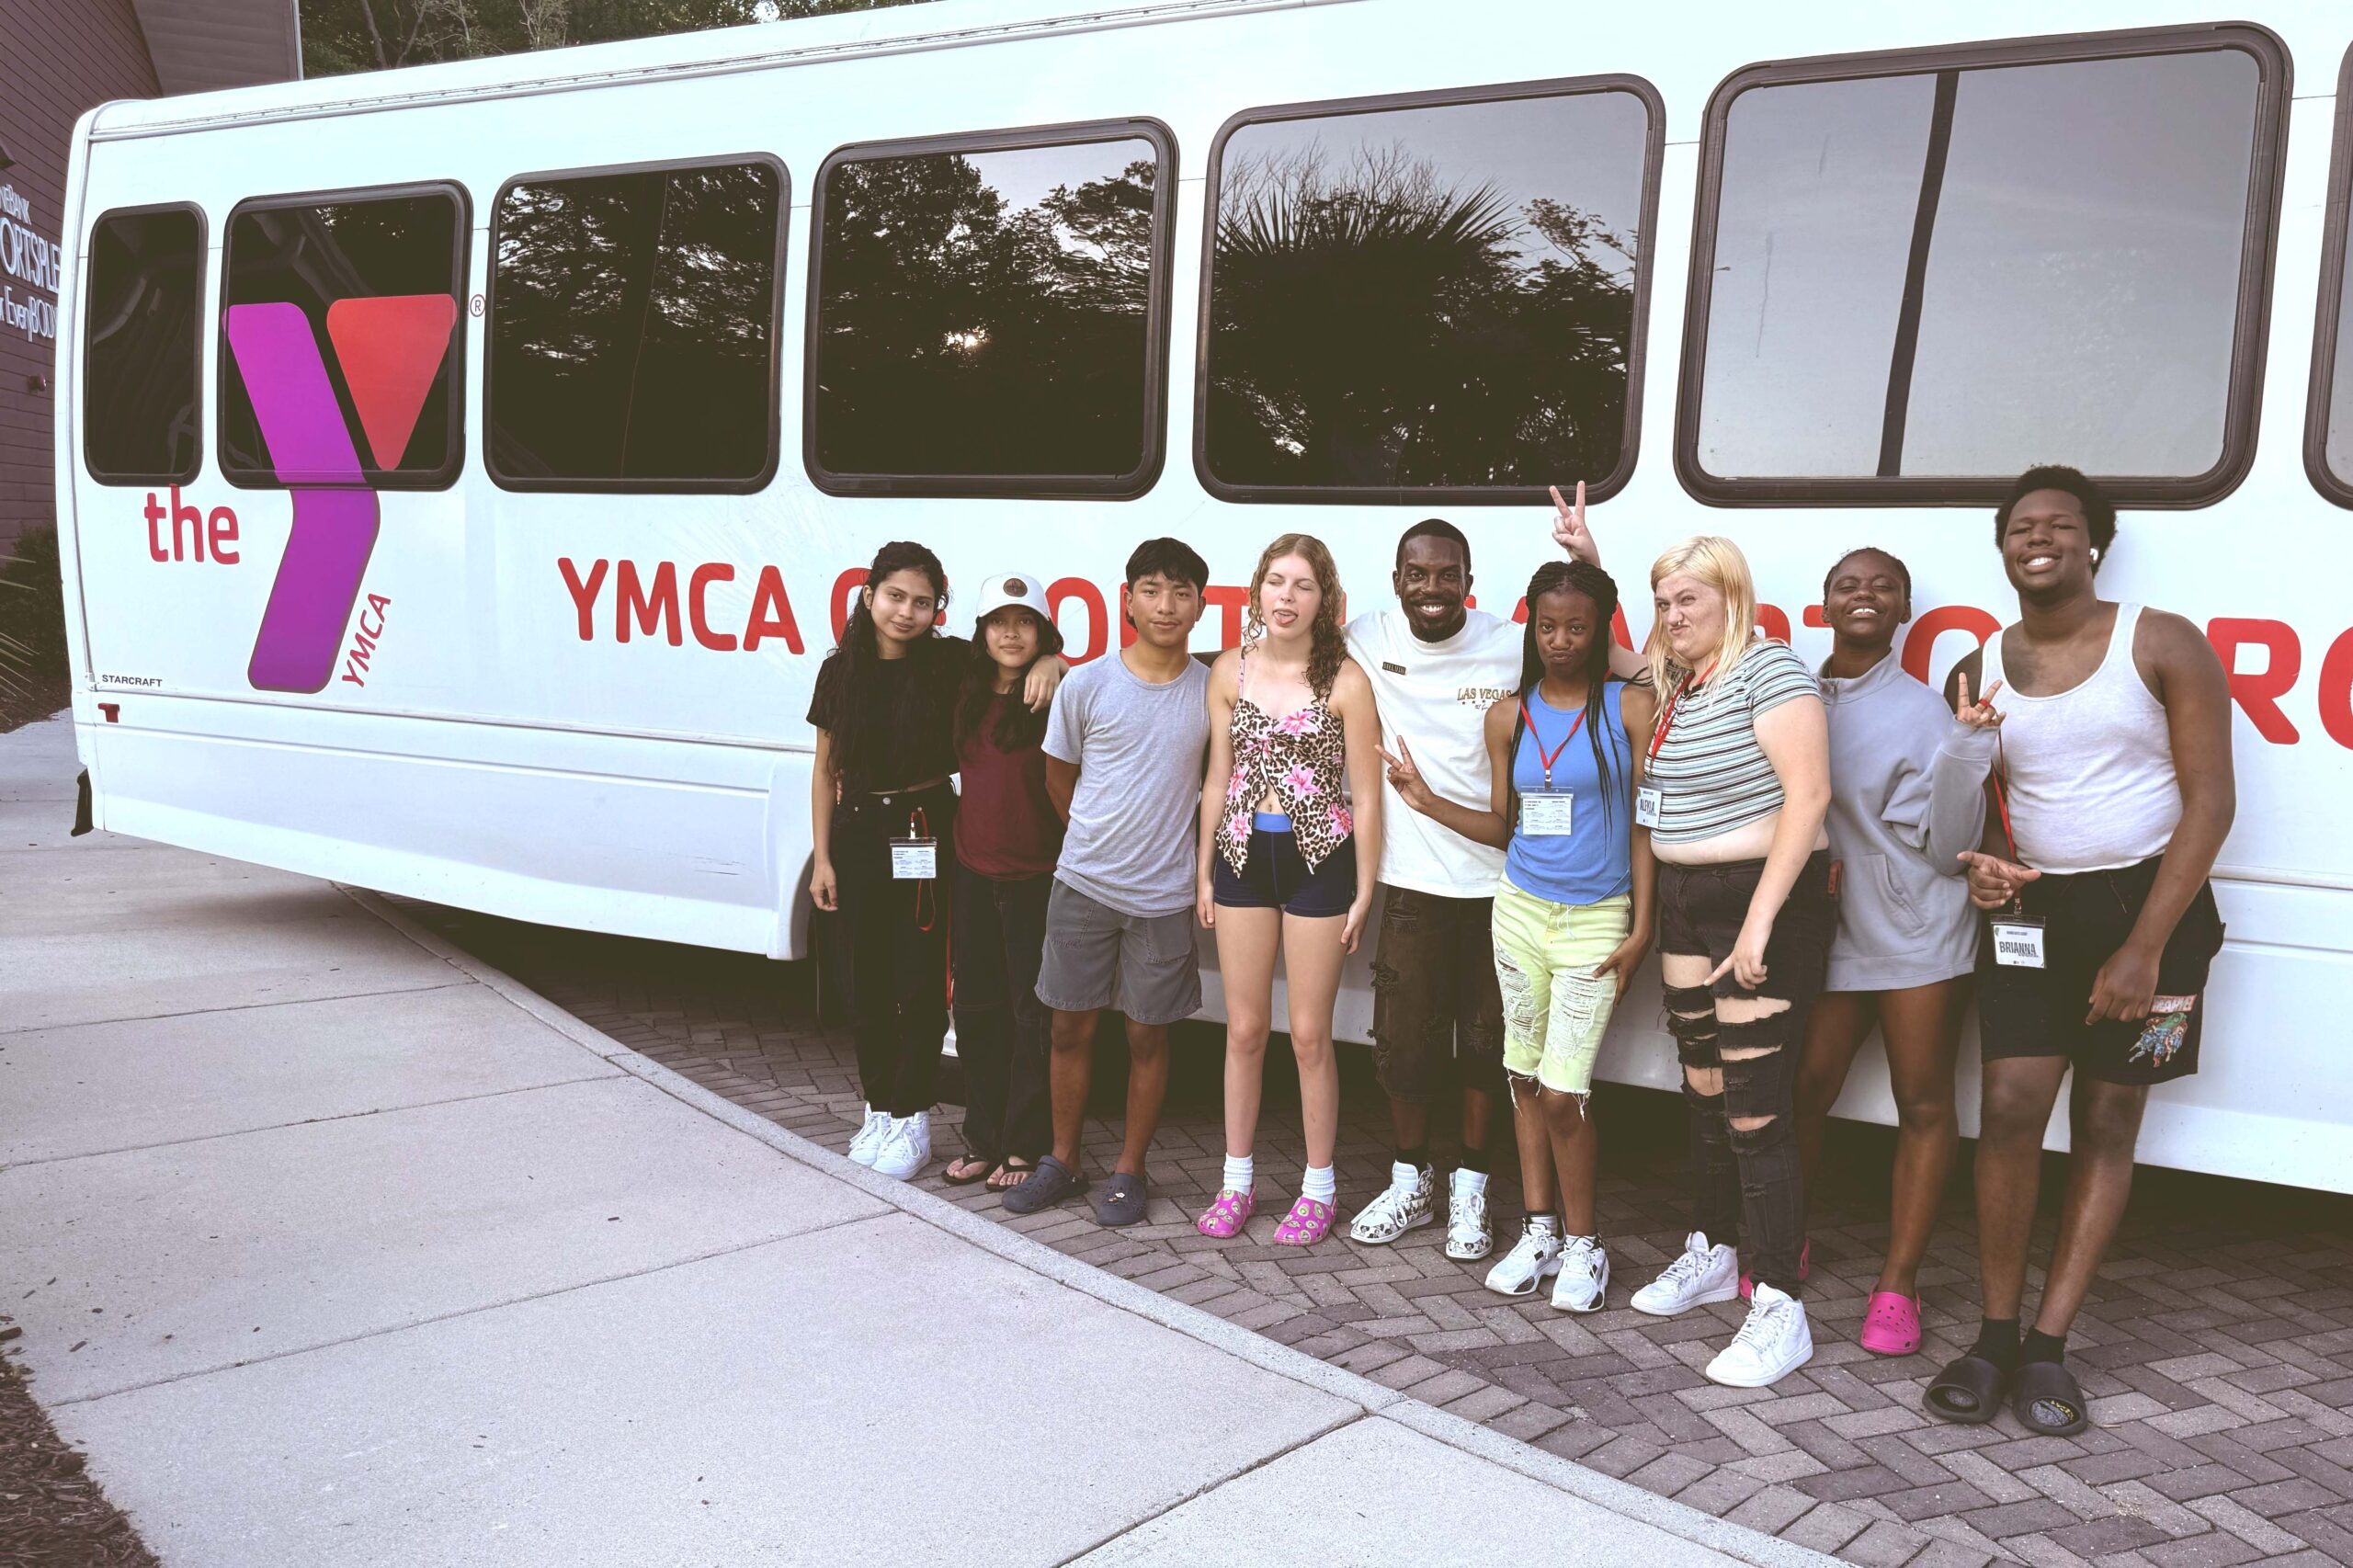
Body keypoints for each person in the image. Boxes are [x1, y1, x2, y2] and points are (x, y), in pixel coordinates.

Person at [1926, 466, 2233, 1436]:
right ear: (2002, 548)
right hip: (2034, 915)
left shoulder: (2162, 640)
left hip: (2155, 911)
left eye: (2060, 524)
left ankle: (2050, 1345)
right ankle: (1995, 1336)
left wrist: (2145, 947)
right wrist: (1988, 867)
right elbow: (1988, 803)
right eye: (2021, 527)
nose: (2038, 538)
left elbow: (2210, 802)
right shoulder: (1975, 664)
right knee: (2010, 1109)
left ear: (2094, 542)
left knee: (2106, 1121)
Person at [1346, 483, 1641, 1261]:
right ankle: (1411, 1179)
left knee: (1488, 1047)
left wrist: (1589, 559)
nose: (1432, 588)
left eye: (1448, 575)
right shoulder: (1365, 636)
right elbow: (1276, 653)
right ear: (1397, 579)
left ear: (1470, 583)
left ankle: (1471, 1188)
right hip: (1415, 880)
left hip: (1504, 886)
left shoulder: (1519, 641)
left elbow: (1624, 661)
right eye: (1418, 574)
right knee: (1404, 1045)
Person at [1626, 535, 1835, 1391]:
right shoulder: (1679, 680)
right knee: (1705, 1088)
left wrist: (1759, 925)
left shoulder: (1768, 669)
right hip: (1684, 901)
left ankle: (1780, 1303)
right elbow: (1616, 655)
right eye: (1663, 603)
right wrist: (1588, 555)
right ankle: (1712, 1252)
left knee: (1755, 1108)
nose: (1673, 617)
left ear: (1732, 597)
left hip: (1759, 904)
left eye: (1690, 600)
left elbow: (1810, 797)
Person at [1791, 549, 2000, 1356]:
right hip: (1830, 926)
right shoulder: (1791, 693)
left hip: (1916, 929)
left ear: (1905, 609)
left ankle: (1898, 1283)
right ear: (1823, 605)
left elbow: (1950, 849)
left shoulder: (1922, 710)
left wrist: (1965, 750)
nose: (1865, 595)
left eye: (1884, 587)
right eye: (1848, 584)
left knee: (1923, 1102)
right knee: (1803, 1087)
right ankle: (1782, 1241)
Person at [809, 542, 1061, 1182]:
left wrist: (1053, 659)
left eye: (922, 602)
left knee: (919, 977)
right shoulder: (838, 672)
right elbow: (824, 769)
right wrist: (823, 858)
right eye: (895, 597)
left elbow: (1012, 652)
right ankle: (879, 1108)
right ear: (869, 597)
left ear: (938, 611)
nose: (907, 612)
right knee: (864, 978)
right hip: (857, 828)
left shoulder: (948, 663)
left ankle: (913, 1114)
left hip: (922, 828)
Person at [1003, 539, 1213, 1226]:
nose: (1165, 605)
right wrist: (1101, 841)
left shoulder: (1213, 691)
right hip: (1084, 886)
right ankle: (1062, 1161)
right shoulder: (1087, 684)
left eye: (1181, 592)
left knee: (1148, 1038)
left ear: (1201, 606)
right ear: (1127, 601)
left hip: (1164, 895)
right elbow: (1057, 779)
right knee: (1068, 1028)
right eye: (1151, 590)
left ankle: (1130, 1170)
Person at [1193, 536, 1383, 1246]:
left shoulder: (1347, 681)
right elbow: (1217, 777)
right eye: (1277, 581)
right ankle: (1236, 1181)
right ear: (1257, 591)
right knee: (1243, 1029)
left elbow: (1367, 796)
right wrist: (1203, 868)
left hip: (1319, 860)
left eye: (1304, 585)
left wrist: (1364, 889)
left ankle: (1319, 1187)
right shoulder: (1229, 671)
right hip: (1243, 857)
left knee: (1308, 1035)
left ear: (1324, 601)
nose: (1287, 596)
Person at [943, 573, 1066, 1191]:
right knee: (975, 1010)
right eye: (999, 622)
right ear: (982, 632)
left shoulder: (1056, 693)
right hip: (972, 873)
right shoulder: (962, 688)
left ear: (1043, 631)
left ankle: (1023, 1144)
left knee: (1031, 1014)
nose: (1011, 634)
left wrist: (1056, 664)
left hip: (1035, 878)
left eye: (1025, 623)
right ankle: (983, 1138)